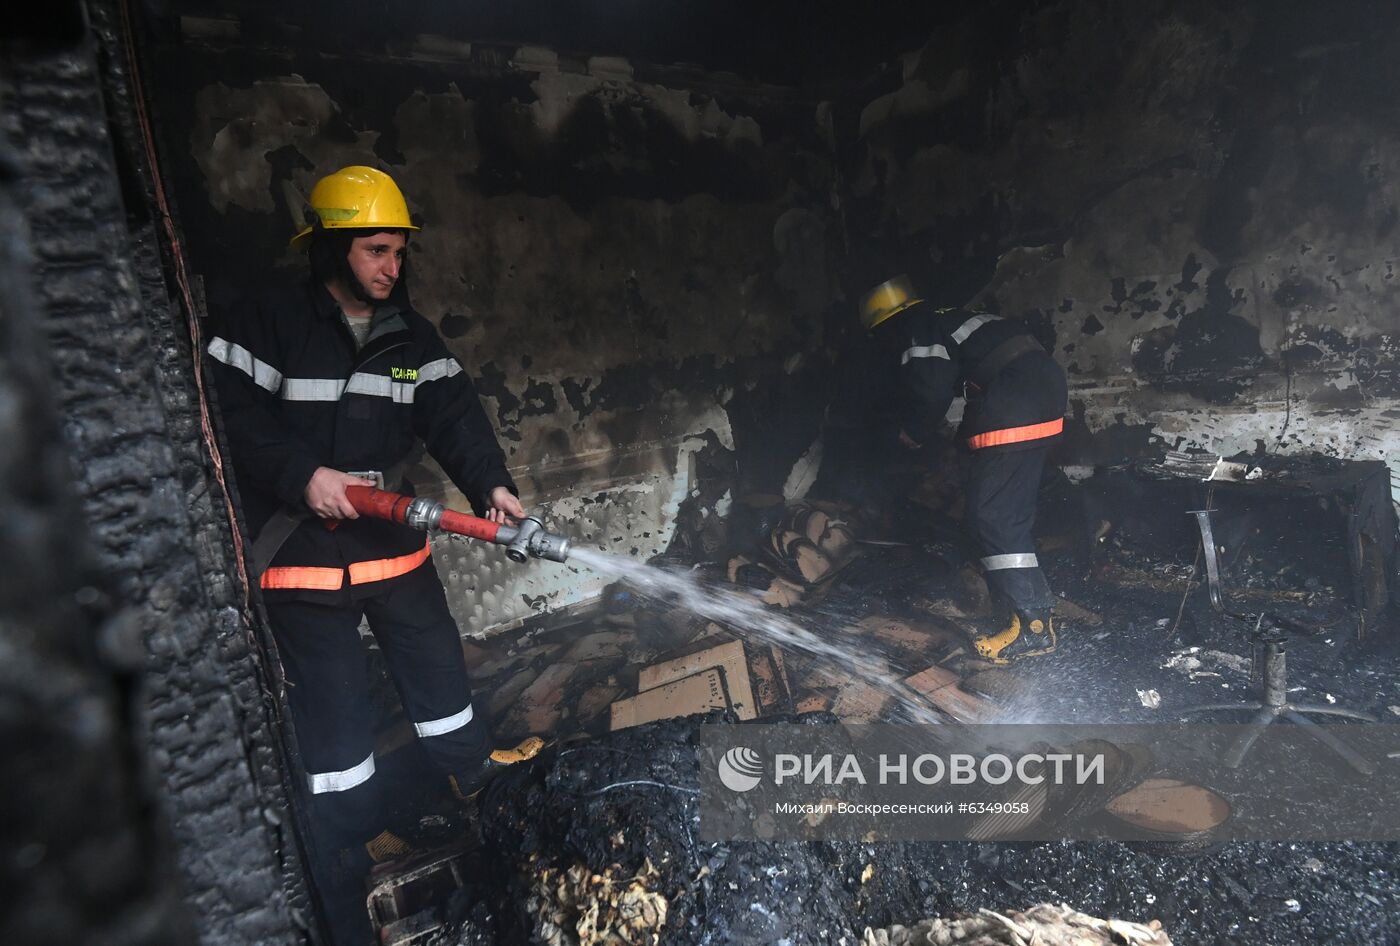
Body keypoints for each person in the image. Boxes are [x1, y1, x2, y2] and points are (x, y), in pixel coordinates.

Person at [206, 166, 540, 917]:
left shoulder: (410, 335)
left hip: (392, 546)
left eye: (398, 253)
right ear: (329, 251)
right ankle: (353, 845)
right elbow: (230, 415)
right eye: (376, 251)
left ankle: (475, 775)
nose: (393, 267)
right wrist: (301, 474)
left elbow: (456, 419)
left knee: (437, 672)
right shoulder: (265, 322)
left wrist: (493, 486)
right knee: (335, 712)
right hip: (303, 558)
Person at [859, 274, 1068, 663]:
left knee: (992, 516)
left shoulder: (918, 329)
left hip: (1016, 397)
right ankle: (1020, 610)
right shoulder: (948, 318)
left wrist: (913, 432)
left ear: (886, 324)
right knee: (1002, 508)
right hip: (1041, 388)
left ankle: (1034, 627)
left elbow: (931, 387)